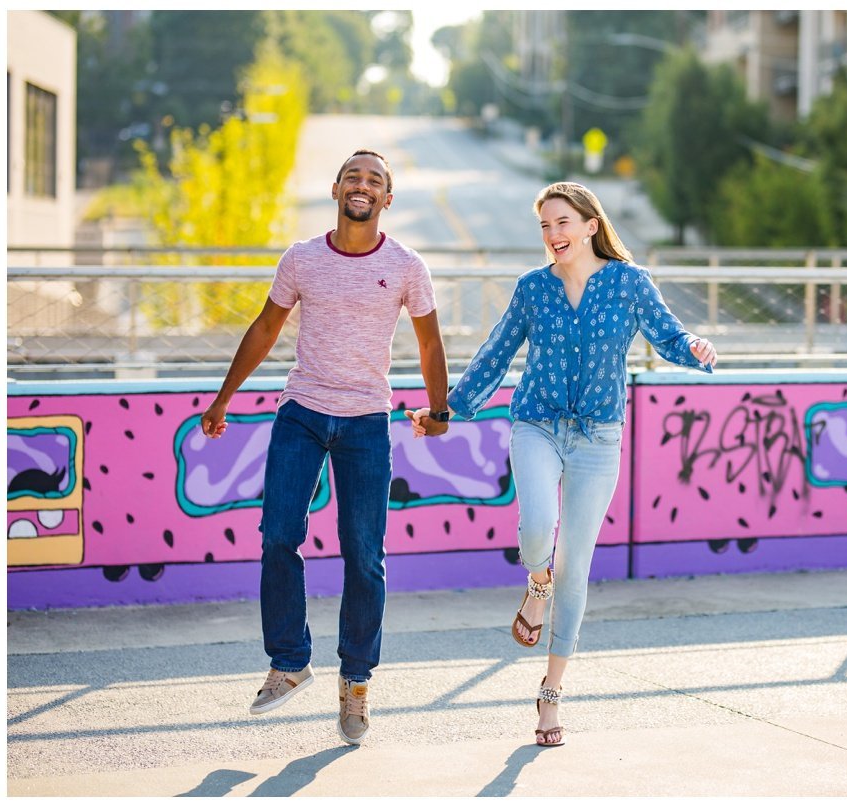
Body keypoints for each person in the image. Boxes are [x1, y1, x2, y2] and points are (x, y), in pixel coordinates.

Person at [408, 181, 716, 747]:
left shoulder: (629, 284)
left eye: (563, 224)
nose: (553, 236)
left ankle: (550, 695)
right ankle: (536, 581)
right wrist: (445, 411)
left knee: (577, 565)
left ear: (590, 225)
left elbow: (668, 334)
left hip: (599, 439)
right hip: (537, 425)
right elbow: (495, 354)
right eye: (546, 227)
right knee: (534, 534)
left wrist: (693, 346)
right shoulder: (532, 290)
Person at [200, 149, 450, 746]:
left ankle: (356, 682)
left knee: (363, 555)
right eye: (354, 176)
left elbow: (430, 344)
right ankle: (289, 662)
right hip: (302, 412)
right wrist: (222, 398)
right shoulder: (303, 258)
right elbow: (264, 327)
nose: (363, 185)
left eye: (376, 180)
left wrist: (439, 413)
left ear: (388, 199)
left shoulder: (407, 265)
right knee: (279, 533)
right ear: (337, 188)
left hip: (366, 420)